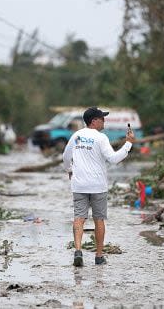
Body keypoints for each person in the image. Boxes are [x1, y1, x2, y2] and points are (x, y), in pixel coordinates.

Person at [62, 106, 135, 266]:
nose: (104, 121)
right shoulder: (101, 138)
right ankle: (99, 256)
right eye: (102, 118)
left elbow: (66, 157)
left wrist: (69, 170)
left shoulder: (76, 136)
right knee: (99, 220)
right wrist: (128, 144)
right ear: (94, 121)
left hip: (79, 185)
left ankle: (78, 251)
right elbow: (114, 159)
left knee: (79, 218)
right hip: (98, 186)